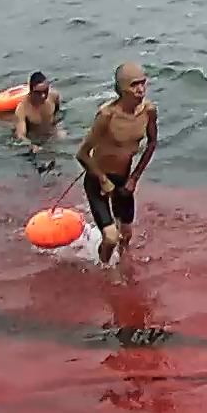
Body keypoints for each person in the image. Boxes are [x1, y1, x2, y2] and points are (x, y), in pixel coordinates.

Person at [75, 62, 158, 266]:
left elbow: (152, 143)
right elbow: (82, 154)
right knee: (111, 237)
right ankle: (104, 268)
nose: (140, 90)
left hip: (124, 180)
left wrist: (134, 178)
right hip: (98, 180)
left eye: (143, 83)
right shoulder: (107, 115)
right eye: (134, 85)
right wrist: (103, 180)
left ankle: (123, 266)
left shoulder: (148, 111)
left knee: (126, 235)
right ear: (121, 89)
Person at [12, 71, 62, 149]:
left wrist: (59, 127)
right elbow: (20, 136)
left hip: (51, 133)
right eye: (38, 93)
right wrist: (31, 145)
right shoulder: (22, 109)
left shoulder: (54, 96)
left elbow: (58, 113)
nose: (43, 96)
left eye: (45, 91)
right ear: (31, 91)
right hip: (35, 139)